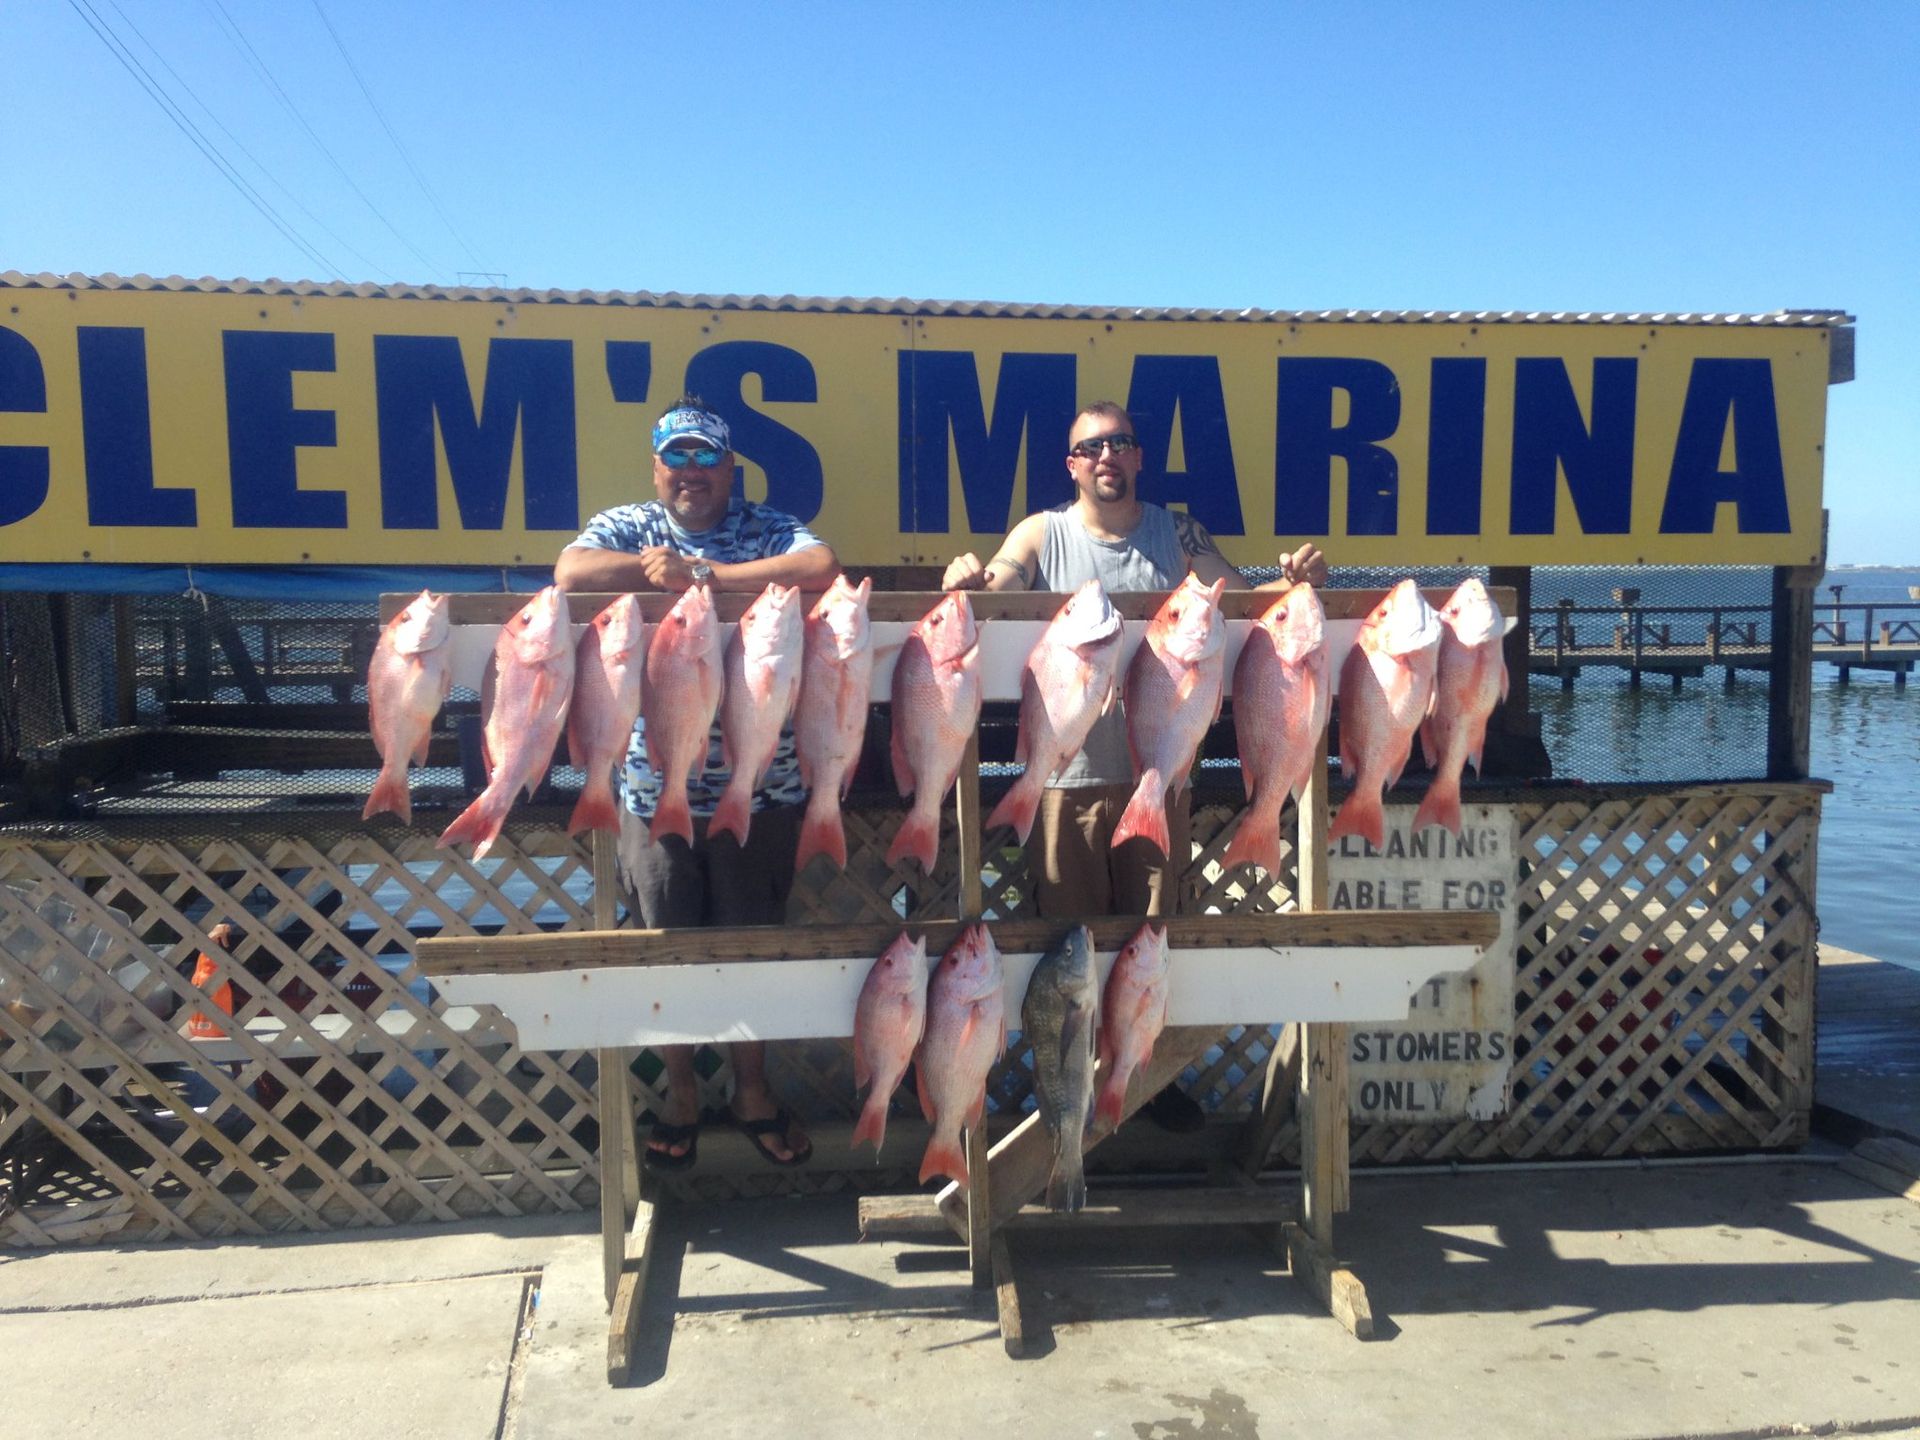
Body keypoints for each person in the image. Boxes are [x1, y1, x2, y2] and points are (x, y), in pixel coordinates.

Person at [942, 399, 1327, 1130]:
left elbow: (1244, 598)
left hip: (1159, 773)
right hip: (1064, 781)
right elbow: (997, 586)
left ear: (1140, 456)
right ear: (1072, 465)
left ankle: (1141, 1081)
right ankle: (1067, 1089)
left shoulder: (1175, 533)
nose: (1106, 457)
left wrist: (1295, 580)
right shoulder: (1042, 533)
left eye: (1119, 443)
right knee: (1067, 946)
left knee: (1152, 938)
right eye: (1090, 448)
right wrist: (968, 581)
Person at [557, 396, 839, 1172]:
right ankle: (682, 1093)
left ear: (730, 469)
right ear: (657, 469)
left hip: (764, 787)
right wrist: (655, 570)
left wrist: (709, 574)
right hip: (654, 790)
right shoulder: (628, 525)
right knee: (666, 950)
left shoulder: (767, 527)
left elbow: (820, 566)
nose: (690, 473)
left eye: (704, 459)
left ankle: (751, 1091)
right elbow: (570, 569)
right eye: (675, 458)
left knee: (750, 948)